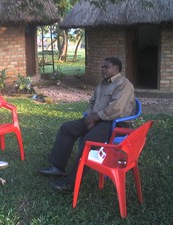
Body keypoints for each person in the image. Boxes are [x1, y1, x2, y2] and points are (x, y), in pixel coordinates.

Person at [38, 57, 135, 193]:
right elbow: (91, 102)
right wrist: (89, 117)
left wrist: (95, 118)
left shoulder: (123, 84)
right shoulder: (102, 83)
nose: (102, 69)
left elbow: (116, 108)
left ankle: (71, 183)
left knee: (89, 141)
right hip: (96, 119)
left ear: (116, 69)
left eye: (106, 67)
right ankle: (58, 168)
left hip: (115, 123)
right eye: (102, 67)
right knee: (67, 128)